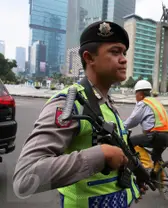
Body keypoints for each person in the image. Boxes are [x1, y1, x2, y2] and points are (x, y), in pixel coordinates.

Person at [13, 21, 145, 208]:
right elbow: (26, 177)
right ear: (89, 58)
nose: (124, 59)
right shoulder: (70, 103)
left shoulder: (107, 103)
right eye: (115, 52)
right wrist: (101, 155)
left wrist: (132, 184)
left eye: (124, 53)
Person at [123, 80, 168, 175]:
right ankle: (158, 180)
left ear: (141, 94)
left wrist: (121, 126)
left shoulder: (143, 103)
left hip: (157, 135)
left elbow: (133, 120)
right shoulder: (155, 101)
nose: (136, 97)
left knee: (131, 142)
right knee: (156, 157)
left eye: (136, 94)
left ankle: (146, 165)